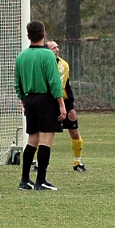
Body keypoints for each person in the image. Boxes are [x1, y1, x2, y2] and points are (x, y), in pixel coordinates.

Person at [14, 21, 66, 190]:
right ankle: (41, 180)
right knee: (45, 141)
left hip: (29, 100)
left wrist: (24, 102)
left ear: (28, 36)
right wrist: (61, 105)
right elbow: (54, 82)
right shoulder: (48, 55)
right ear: (44, 35)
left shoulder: (21, 56)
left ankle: (24, 180)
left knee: (32, 141)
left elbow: (17, 83)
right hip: (46, 100)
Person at [47, 40, 87, 172]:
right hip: (48, 102)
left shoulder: (63, 65)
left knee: (75, 132)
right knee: (44, 134)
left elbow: (64, 85)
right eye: (53, 48)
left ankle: (77, 162)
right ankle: (37, 163)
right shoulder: (43, 64)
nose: (56, 50)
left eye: (57, 47)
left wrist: (70, 105)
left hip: (63, 101)